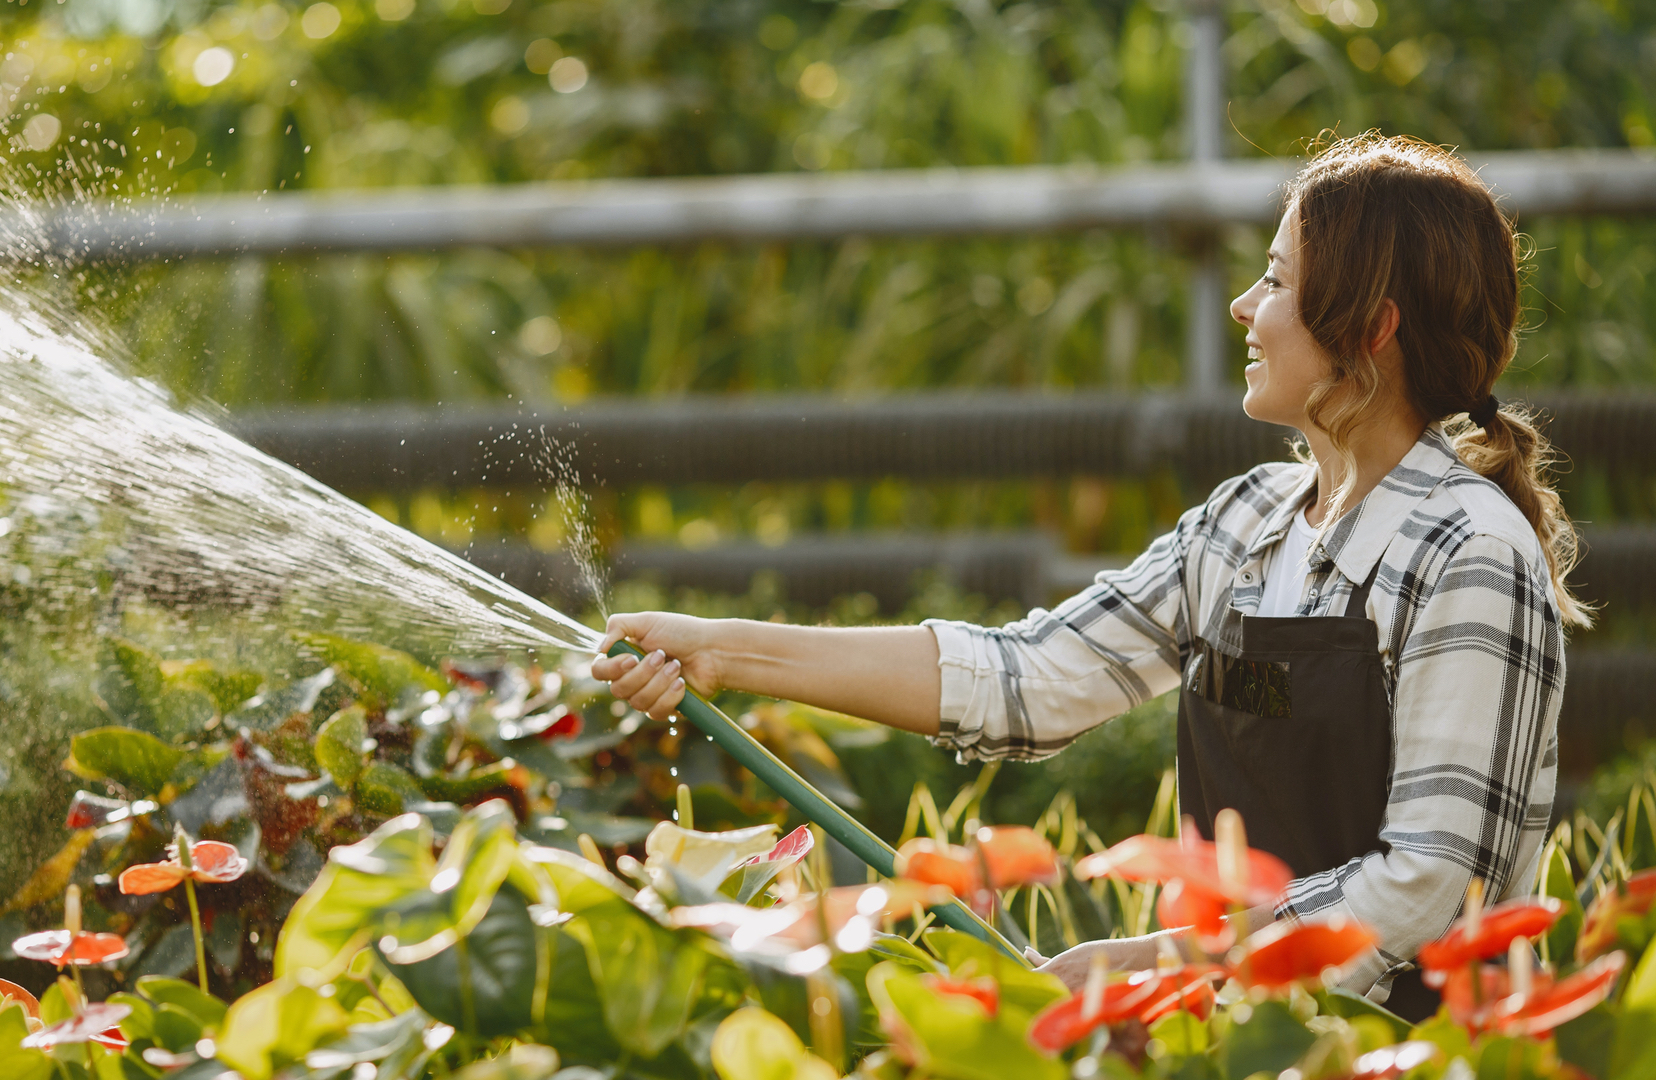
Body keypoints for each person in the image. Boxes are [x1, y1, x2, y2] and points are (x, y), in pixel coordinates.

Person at [589, 133, 1586, 1023]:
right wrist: (720, 648)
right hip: (1240, 1039)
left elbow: (1424, 889)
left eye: (1276, 283)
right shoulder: (1246, 527)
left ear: (1370, 329)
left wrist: (1158, 968)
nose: (1244, 305)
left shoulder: (1470, 555)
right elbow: (1028, 679)